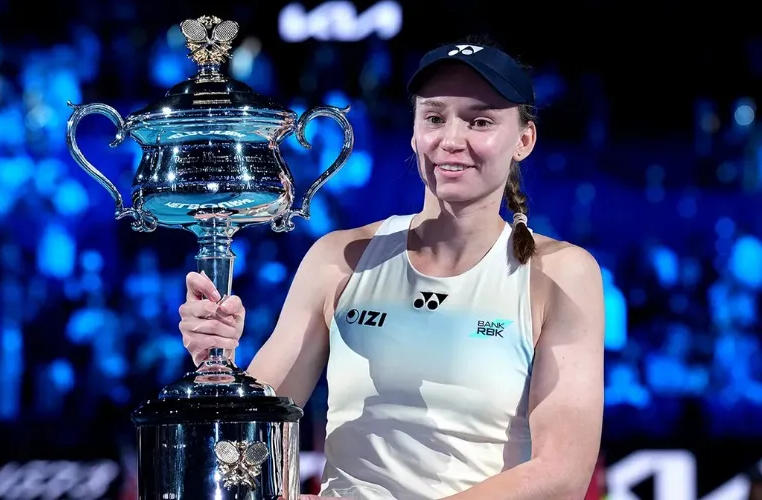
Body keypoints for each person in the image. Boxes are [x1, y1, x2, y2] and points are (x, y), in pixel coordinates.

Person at [178, 36, 605, 500]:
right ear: (414, 131)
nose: (451, 140)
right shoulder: (339, 259)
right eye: (435, 117)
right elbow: (248, 440)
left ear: (524, 140)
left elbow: (562, 475)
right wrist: (216, 370)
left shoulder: (561, 273)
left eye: (479, 120)